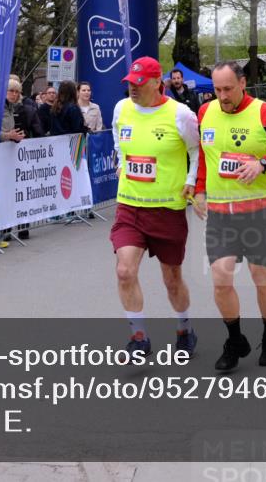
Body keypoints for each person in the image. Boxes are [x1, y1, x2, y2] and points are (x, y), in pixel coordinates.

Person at [193, 61, 266, 371]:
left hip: (259, 210)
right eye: (217, 89)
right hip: (220, 212)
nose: (223, 96)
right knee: (221, 277)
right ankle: (235, 339)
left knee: (259, 275)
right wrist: (198, 191)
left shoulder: (265, 112)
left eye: (228, 89)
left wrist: (262, 164)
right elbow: (204, 156)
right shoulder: (205, 112)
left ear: (242, 83)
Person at [110, 57, 200, 357]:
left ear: (156, 83)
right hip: (130, 206)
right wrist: (121, 163)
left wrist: (193, 182)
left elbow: (196, 150)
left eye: (139, 84)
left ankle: (185, 328)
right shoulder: (122, 109)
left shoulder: (181, 114)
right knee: (124, 271)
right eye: (129, 84)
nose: (132, 89)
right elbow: (117, 139)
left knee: (171, 279)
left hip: (167, 209)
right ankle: (139, 337)